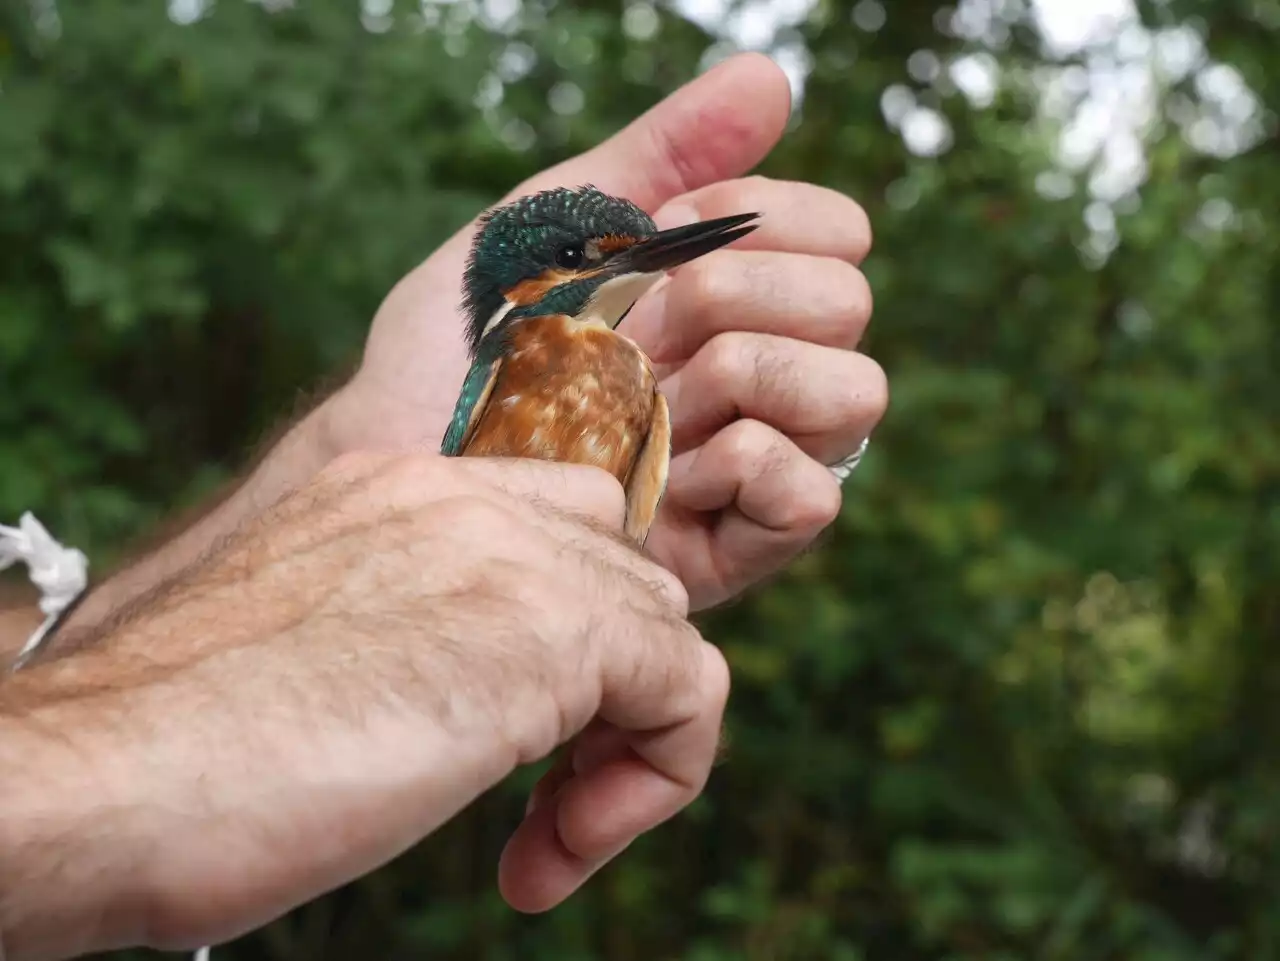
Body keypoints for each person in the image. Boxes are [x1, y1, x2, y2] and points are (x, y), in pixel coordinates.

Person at [0, 53, 884, 961]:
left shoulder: (638, 382)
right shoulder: (519, 353)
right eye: (584, 260)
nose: (615, 273)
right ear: (527, 284)